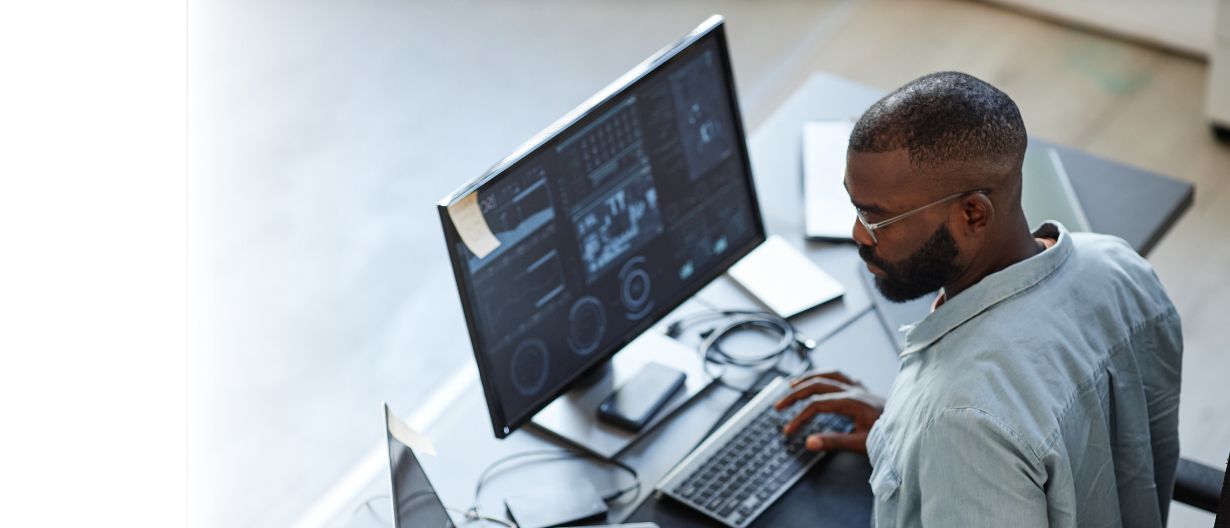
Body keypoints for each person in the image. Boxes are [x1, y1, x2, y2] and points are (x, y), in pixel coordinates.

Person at [775, 71, 1183, 527]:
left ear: (972, 213)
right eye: (854, 207)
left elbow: (986, 423)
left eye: (876, 219)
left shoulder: (962, 422)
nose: (858, 235)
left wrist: (942, 440)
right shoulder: (1119, 266)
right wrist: (904, 434)